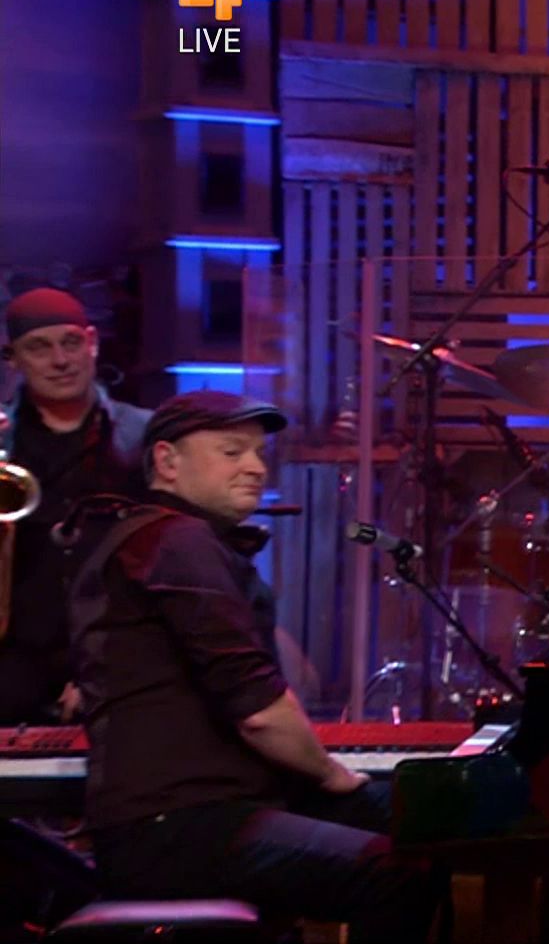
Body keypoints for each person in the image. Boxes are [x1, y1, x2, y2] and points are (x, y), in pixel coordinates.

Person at [66, 391, 436, 940]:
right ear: (167, 461)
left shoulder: (166, 539)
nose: (257, 467)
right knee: (396, 873)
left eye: (260, 453)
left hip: (198, 814)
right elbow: (257, 709)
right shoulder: (175, 539)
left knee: (420, 828)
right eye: (232, 451)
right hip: (177, 826)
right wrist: (332, 773)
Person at [0, 288, 150, 724]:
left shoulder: (145, 434)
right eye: (39, 348)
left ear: (93, 342)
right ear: (13, 359)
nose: (61, 360)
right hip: (13, 662)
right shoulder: (4, 439)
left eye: (71, 342)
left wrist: (109, 664)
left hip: (121, 657)